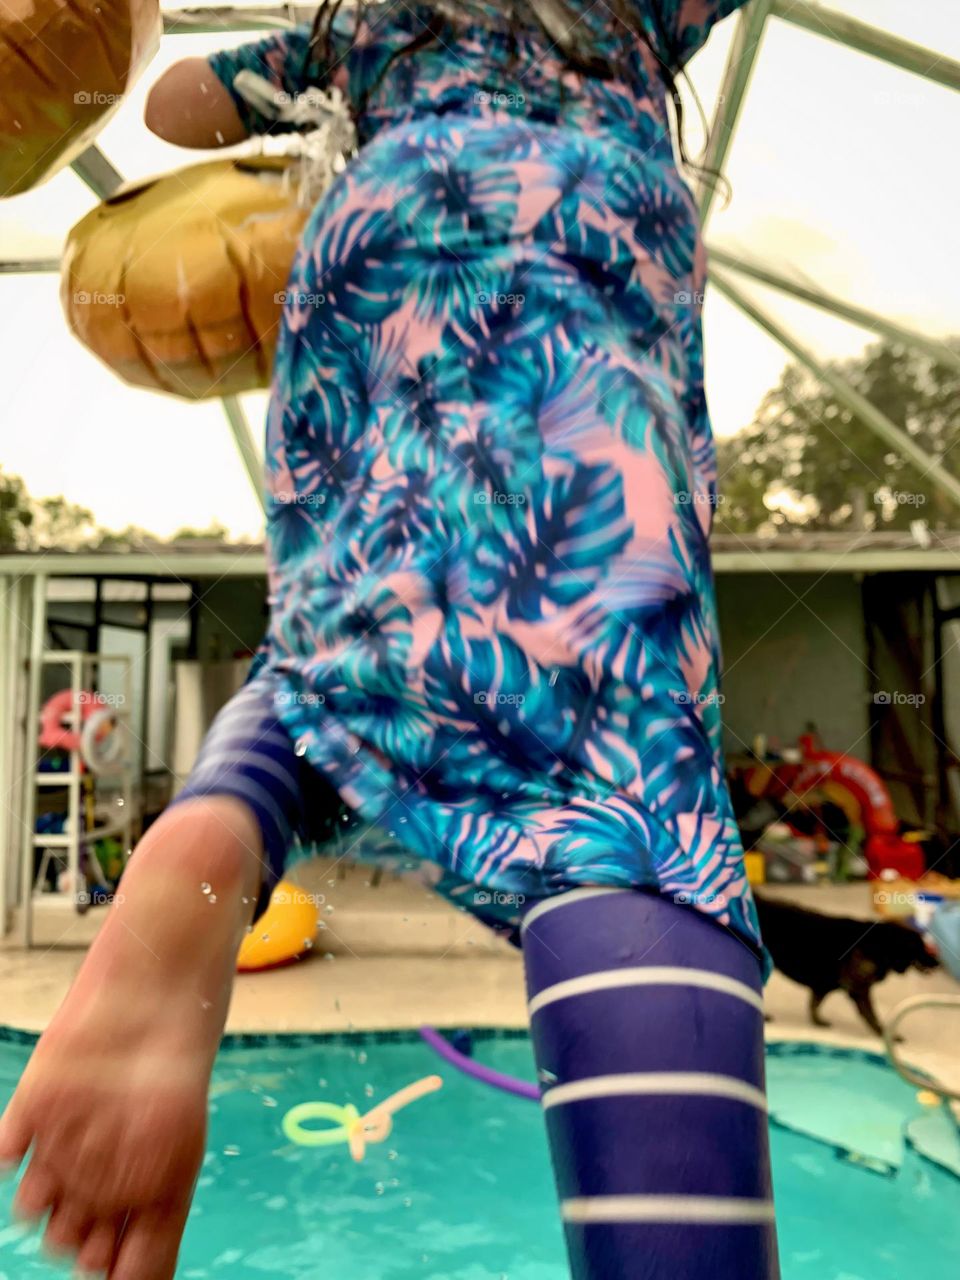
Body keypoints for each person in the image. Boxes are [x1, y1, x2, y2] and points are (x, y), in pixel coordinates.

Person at [0, 3, 780, 1276]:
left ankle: (220, 827)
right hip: (590, 212)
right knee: (624, 773)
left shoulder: (358, 23)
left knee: (358, 633)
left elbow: (174, 107)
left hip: (384, 224)